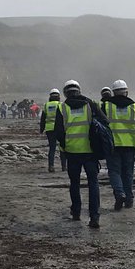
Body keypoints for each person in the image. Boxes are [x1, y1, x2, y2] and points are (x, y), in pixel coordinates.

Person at [53, 79, 106, 228]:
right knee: (93, 183)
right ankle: (94, 217)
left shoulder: (62, 108)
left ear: (65, 93)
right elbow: (104, 122)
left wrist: (65, 145)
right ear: (79, 90)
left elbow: (58, 132)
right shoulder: (91, 104)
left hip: (72, 152)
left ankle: (76, 212)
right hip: (90, 152)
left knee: (74, 183)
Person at [103, 79, 135, 210]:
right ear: (126, 91)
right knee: (128, 173)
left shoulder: (107, 106)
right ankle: (129, 199)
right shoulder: (134, 106)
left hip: (113, 144)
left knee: (114, 172)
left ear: (113, 92)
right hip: (130, 144)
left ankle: (119, 193)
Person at [39, 88, 65, 173]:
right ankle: (64, 166)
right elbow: (64, 117)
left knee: (52, 148)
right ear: (58, 96)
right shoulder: (61, 105)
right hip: (60, 129)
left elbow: (43, 118)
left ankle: (51, 166)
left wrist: (41, 129)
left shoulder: (46, 105)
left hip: (49, 129)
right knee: (62, 148)